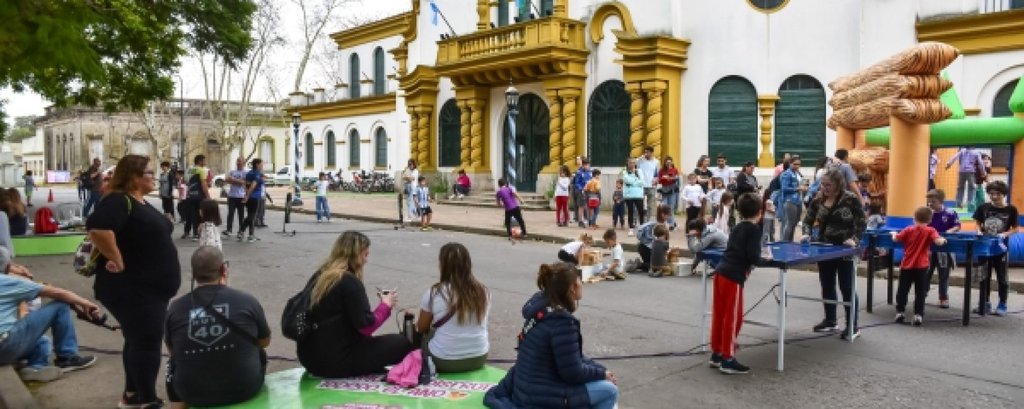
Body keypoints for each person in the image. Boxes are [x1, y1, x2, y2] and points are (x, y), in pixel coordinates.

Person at [87, 155, 180, 407]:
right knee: (147, 341)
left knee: (137, 339)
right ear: (133, 178)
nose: (155, 176)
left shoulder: (138, 201)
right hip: (134, 290)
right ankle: (147, 399)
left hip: (148, 290)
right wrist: (117, 259)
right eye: (149, 173)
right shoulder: (119, 200)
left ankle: (132, 394)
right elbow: (97, 229)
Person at [484, 263, 618, 409]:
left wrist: (601, 371)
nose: (582, 284)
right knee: (609, 390)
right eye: (579, 280)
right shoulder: (562, 322)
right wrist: (601, 375)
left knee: (601, 380)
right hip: (542, 399)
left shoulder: (540, 310)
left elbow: (571, 357)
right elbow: (572, 372)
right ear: (572, 288)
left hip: (525, 390)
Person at [296, 231, 413, 377]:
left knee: (373, 344)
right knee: (401, 344)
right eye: (365, 254)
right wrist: (386, 305)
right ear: (355, 256)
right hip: (334, 361)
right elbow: (366, 327)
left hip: (309, 359)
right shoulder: (349, 282)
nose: (366, 260)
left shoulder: (320, 275)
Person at [164, 246, 270, 408]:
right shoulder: (247, 300)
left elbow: (173, 351)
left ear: (193, 274)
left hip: (191, 393)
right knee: (258, 352)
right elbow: (264, 342)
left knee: (172, 366)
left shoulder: (176, 307)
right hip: (244, 389)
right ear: (224, 270)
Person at [0, 247, 99, 382]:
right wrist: (87, 303)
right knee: (60, 304)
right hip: (4, 346)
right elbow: (58, 293)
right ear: (7, 267)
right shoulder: (8, 281)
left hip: (7, 344)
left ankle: (36, 367)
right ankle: (67, 357)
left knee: (42, 341)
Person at [801, 170, 866, 340]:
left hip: (845, 249)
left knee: (847, 287)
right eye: (823, 184)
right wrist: (806, 233)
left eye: (828, 184)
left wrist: (855, 239)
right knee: (827, 284)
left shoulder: (850, 198)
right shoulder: (818, 199)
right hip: (824, 248)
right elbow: (807, 220)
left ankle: (853, 325)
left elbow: (862, 221)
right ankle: (830, 320)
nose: (824, 187)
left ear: (838, 184)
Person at [708, 192, 763, 374]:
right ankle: (728, 358)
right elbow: (754, 257)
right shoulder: (755, 230)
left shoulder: (738, 226)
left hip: (721, 272)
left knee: (720, 314)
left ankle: (717, 353)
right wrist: (766, 259)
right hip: (733, 276)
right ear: (760, 211)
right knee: (733, 318)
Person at [416, 243, 490, 373]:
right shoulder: (483, 291)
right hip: (479, 357)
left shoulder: (434, 292)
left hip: (444, 361)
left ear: (442, 266)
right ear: (468, 264)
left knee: (426, 337)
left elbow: (421, 328)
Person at [891, 207, 948, 326]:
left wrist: (893, 233)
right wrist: (943, 240)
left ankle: (900, 312)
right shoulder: (930, 230)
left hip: (906, 264)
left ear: (914, 218)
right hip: (922, 266)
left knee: (902, 290)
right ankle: (918, 314)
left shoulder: (908, 229)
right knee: (920, 291)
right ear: (930, 220)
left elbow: (896, 239)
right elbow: (938, 241)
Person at [972, 181, 1017, 316]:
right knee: (983, 276)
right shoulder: (983, 207)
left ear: (1003, 194)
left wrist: (1004, 234)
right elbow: (978, 222)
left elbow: (1015, 228)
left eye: (997, 194)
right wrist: (979, 231)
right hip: (984, 247)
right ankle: (984, 303)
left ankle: (1002, 304)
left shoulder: (1011, 210)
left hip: (1000, 249)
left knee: (1002, 277)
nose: (994, 196)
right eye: (991, 194)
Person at [925, 189, 960, 309]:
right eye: (928, 202)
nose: (930, 204)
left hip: (944, 248)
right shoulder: (927, 213)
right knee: (926, 273)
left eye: (933, 202)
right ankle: (922, 294)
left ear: (941, 201)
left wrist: (948, 232)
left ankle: (943, 297)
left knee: (943, 274)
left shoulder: (950, 213)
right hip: (929, 249)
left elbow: (957, 226)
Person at [630, 205, 672, 273]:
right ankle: (639, 264)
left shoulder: (665, 224)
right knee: (654, 266)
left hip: (648, 248)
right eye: (668, 215)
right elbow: (656, 242)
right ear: (662, 214)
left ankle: (642, 264)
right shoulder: (656, 226)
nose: (669, 217)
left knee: (655, 265)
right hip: (646, 248)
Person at [183, 155, 211, 241]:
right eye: (204, 161)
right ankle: (199, 233)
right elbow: (203, 185)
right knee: (200, 215)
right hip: (200, 196)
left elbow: (186, 182)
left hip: (191, 195)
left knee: (193, 215)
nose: (205, 162)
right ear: (199, 161)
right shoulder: (201, 170)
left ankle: (195, 233)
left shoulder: (189, 170)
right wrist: (208, 196)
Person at [778, 157, 806, 241]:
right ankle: (785, 242)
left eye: (799, 164)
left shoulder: (796, 173)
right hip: (790, 201)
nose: (797, 166)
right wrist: (798, 188)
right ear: (790, 163)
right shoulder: (787, 174)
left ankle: (790, 242)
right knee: (789, 223)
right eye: (795, 164)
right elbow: (784, 188)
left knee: (794, 224)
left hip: (797, 200)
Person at [240, 159, 265, 243]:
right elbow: (253, 185)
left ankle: (250, 234)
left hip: (250, 196)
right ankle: (242, 232)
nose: (262, 165)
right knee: (252, 216)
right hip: (254, 197)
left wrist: (246, 193)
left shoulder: (249, 173)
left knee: (251, 216)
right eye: (261, 164)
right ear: (257, 164)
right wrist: (248, 195)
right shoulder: (256, 173)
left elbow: (245, 184)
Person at [223, 157, 248, 236]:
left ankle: (241, 230)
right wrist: (236, 181)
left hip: (241, 196)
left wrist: (233, 180)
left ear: (244, 163)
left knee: (241, 215)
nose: (238, 163)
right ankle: (229, 229)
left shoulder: (245, 172)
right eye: (237, 161)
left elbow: (244, 182)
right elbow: (226, 180)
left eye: (240, 161)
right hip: (232, 196)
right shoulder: (232, 171)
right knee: (230, 213)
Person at [637, 146, 660, 223]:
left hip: (651, 186)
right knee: (640, 204)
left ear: (651, 153)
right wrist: (641, 157)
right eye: (645, 152)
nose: (646, 154)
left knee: (650, 205)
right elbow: (635, 164)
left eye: (648, 152)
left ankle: (648, 220)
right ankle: (640, 220)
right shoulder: (640, 161)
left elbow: (657, 174)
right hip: (641, 185)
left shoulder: (656, 162)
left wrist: (656, 180)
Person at [621, 158, 644, 235]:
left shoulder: (639, 171)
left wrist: (633, 181)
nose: (632, 164)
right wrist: (636, 180)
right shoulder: (624, 171)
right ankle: (631, 228)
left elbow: (642, 182)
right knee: (630, 211)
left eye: (634, 162)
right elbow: (627, 180)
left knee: (641, 211)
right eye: (631, 162)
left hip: (638, 194)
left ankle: (642, 228)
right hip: (629, 195)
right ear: (627, 163)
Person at [658, 156, 680, 229]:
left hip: (672, 189)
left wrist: (672, 178)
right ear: (665, 163)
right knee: (664, 206)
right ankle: (666, 222)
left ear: (672, 162)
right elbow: (659, 180)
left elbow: (677, 178)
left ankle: (671, 224)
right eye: (667, 163)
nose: (668, 164)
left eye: (670, 162)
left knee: (671, 207)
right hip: (664, 189)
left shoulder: (675, 169)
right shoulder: (661, 170)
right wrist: (663, 178)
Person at [573, 158, 593, 228]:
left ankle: (591, 221)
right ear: (583, 165)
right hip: (582, 191)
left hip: (590, 191)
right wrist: (581, 188)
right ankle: (580, 221)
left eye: (588, 165)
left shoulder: (591, 172)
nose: (588, 167)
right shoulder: (579, 173)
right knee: (581, 206)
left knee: (591, 206)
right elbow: (577, 183)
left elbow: (593, 180)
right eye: (586, 165)